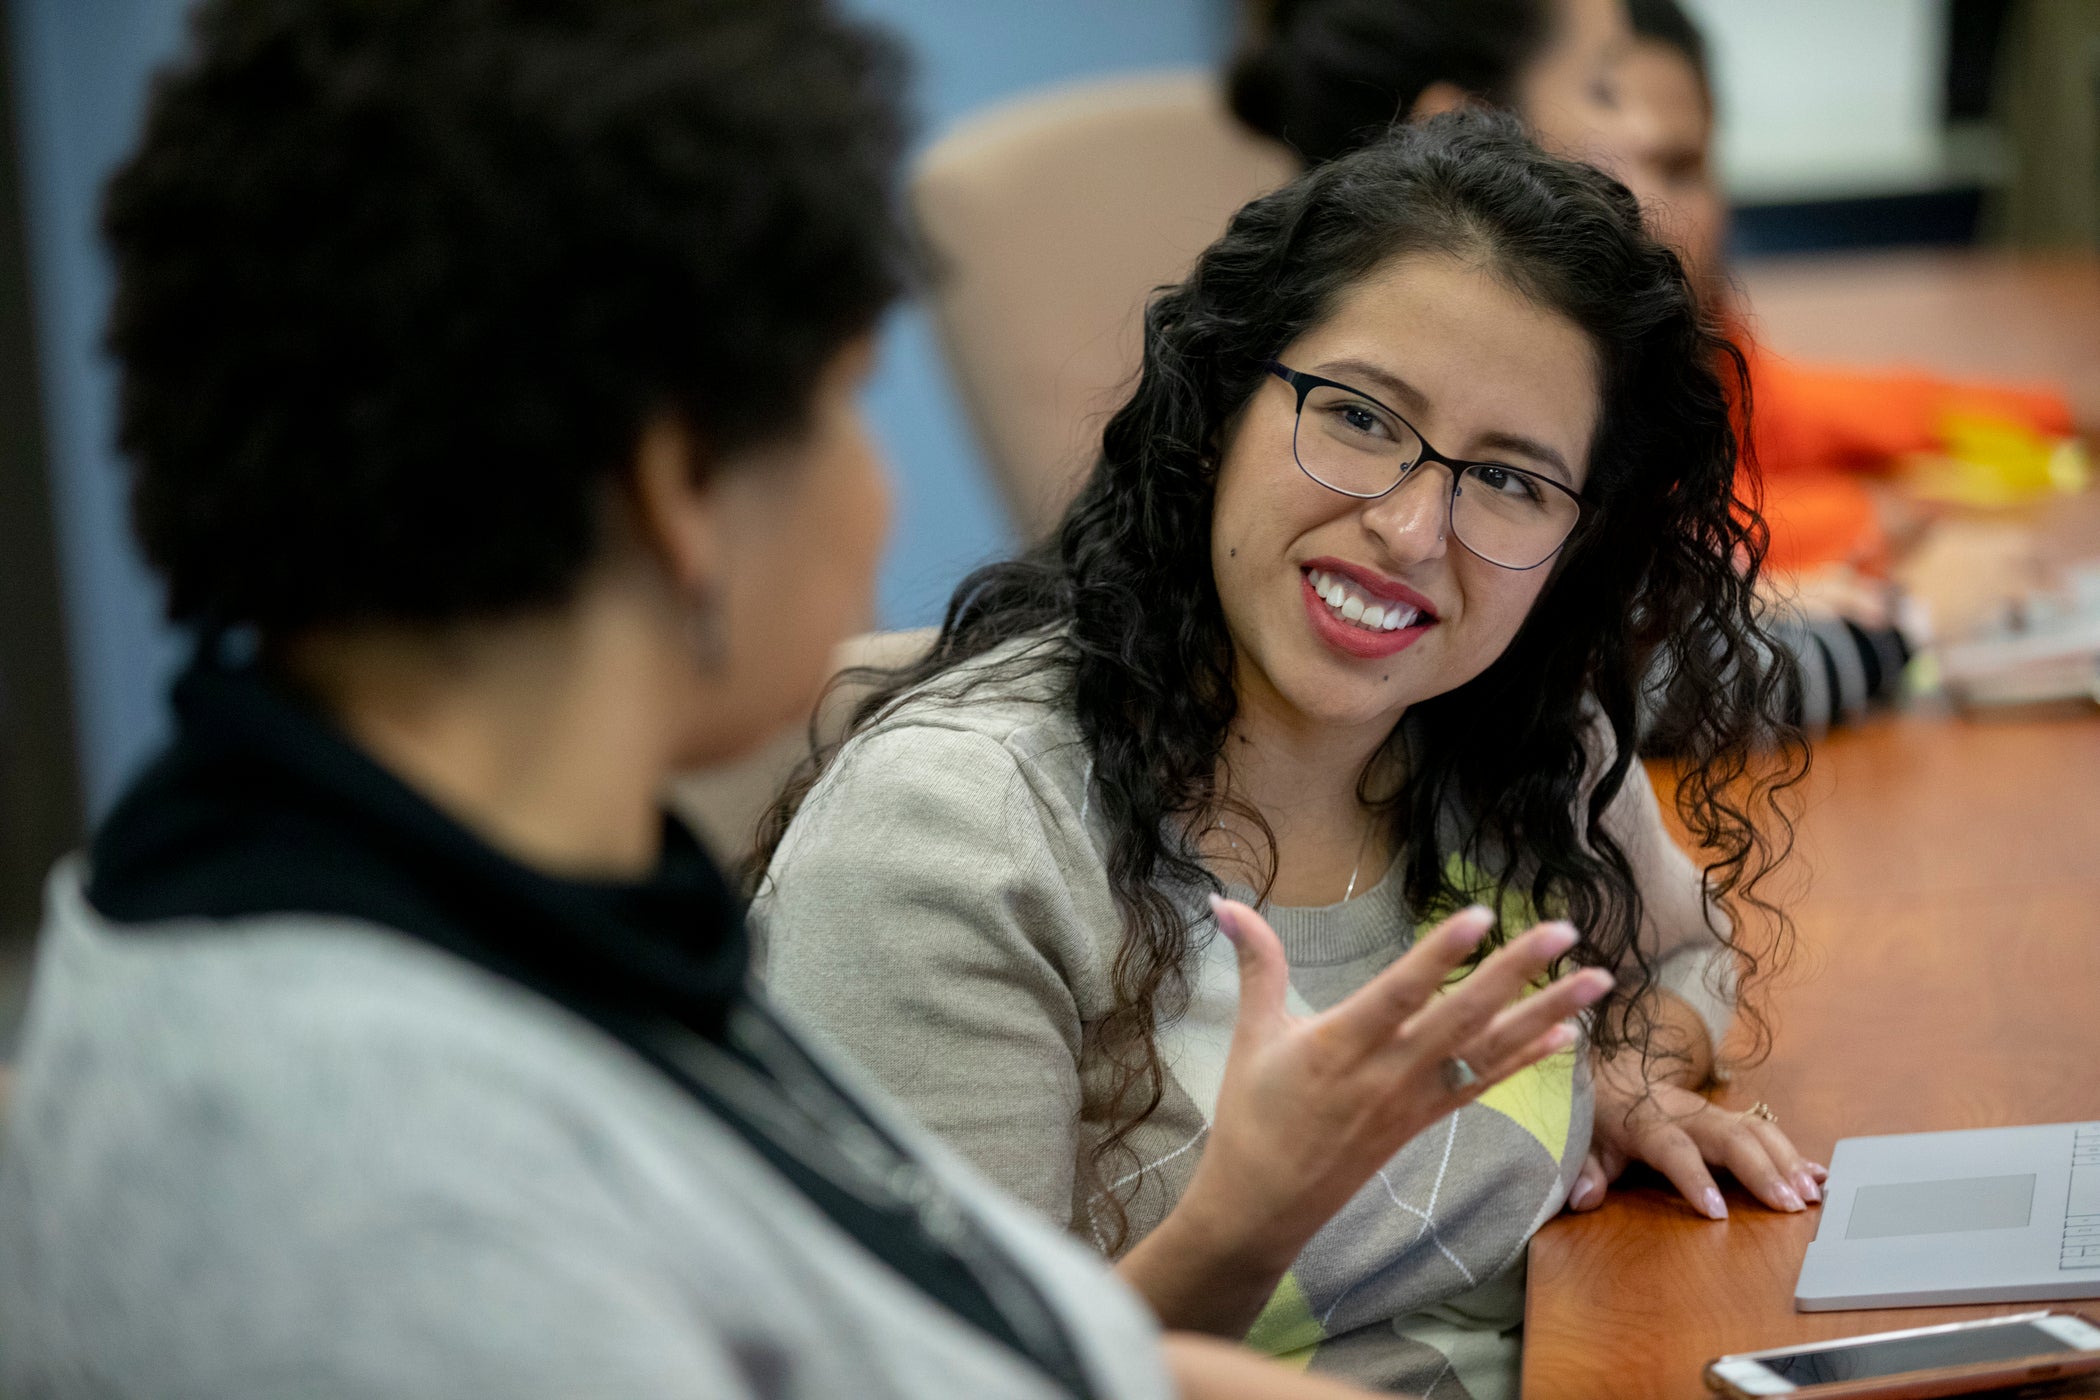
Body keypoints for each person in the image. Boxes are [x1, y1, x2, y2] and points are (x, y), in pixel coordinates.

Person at [0, 3, 1493, 1396]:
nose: (875, 483)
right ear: (686, 486)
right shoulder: (375, 1195)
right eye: (845, 399)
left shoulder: (475, 888)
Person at [757, 112, 1817, 1399]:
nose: (1413, 528)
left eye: (1511, 481)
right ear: (1219, 407)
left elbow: (1691, 951)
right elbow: (956, 1382)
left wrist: (1629, 1075)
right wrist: (1247, 1214)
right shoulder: (959, 835)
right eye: (1363, 418)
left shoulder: (1515, 733)